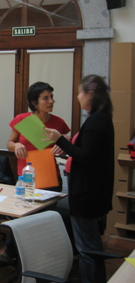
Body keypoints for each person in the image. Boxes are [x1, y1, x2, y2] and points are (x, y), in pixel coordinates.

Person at [42, 75, 114, 283]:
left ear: (90, 94)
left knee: (87, 250)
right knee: (92, 246)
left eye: (80, 92)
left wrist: (59, 140)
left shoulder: (95, 121)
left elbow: (85, 157)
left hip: (86, 195)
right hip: (94, 193)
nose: (77, 97)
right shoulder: (102, 118)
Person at [0, 81, 70, 267]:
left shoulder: (58, 122)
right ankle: (11, 252)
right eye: (46, 98)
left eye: (51, 97)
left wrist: (63, 146)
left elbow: (68, 146)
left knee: (46, 219)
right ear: (34, 102)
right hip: (26, 179)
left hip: (50, 178)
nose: (51, 101)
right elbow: (10, 144)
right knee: (22, 218)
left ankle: (43, 257)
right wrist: (17, 145)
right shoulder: (22, 120)